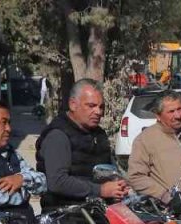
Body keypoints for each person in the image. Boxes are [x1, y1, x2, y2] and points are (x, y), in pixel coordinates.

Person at [36, 79, 128, 208]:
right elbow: (57, 182)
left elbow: (107, 169)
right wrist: (100, 190)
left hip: (96, 210)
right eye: (91, 106)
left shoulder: (98, 134)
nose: (98, 112)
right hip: (67, 213)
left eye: (101, 107)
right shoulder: (58, 135)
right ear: (73, 104)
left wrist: (117, 186)